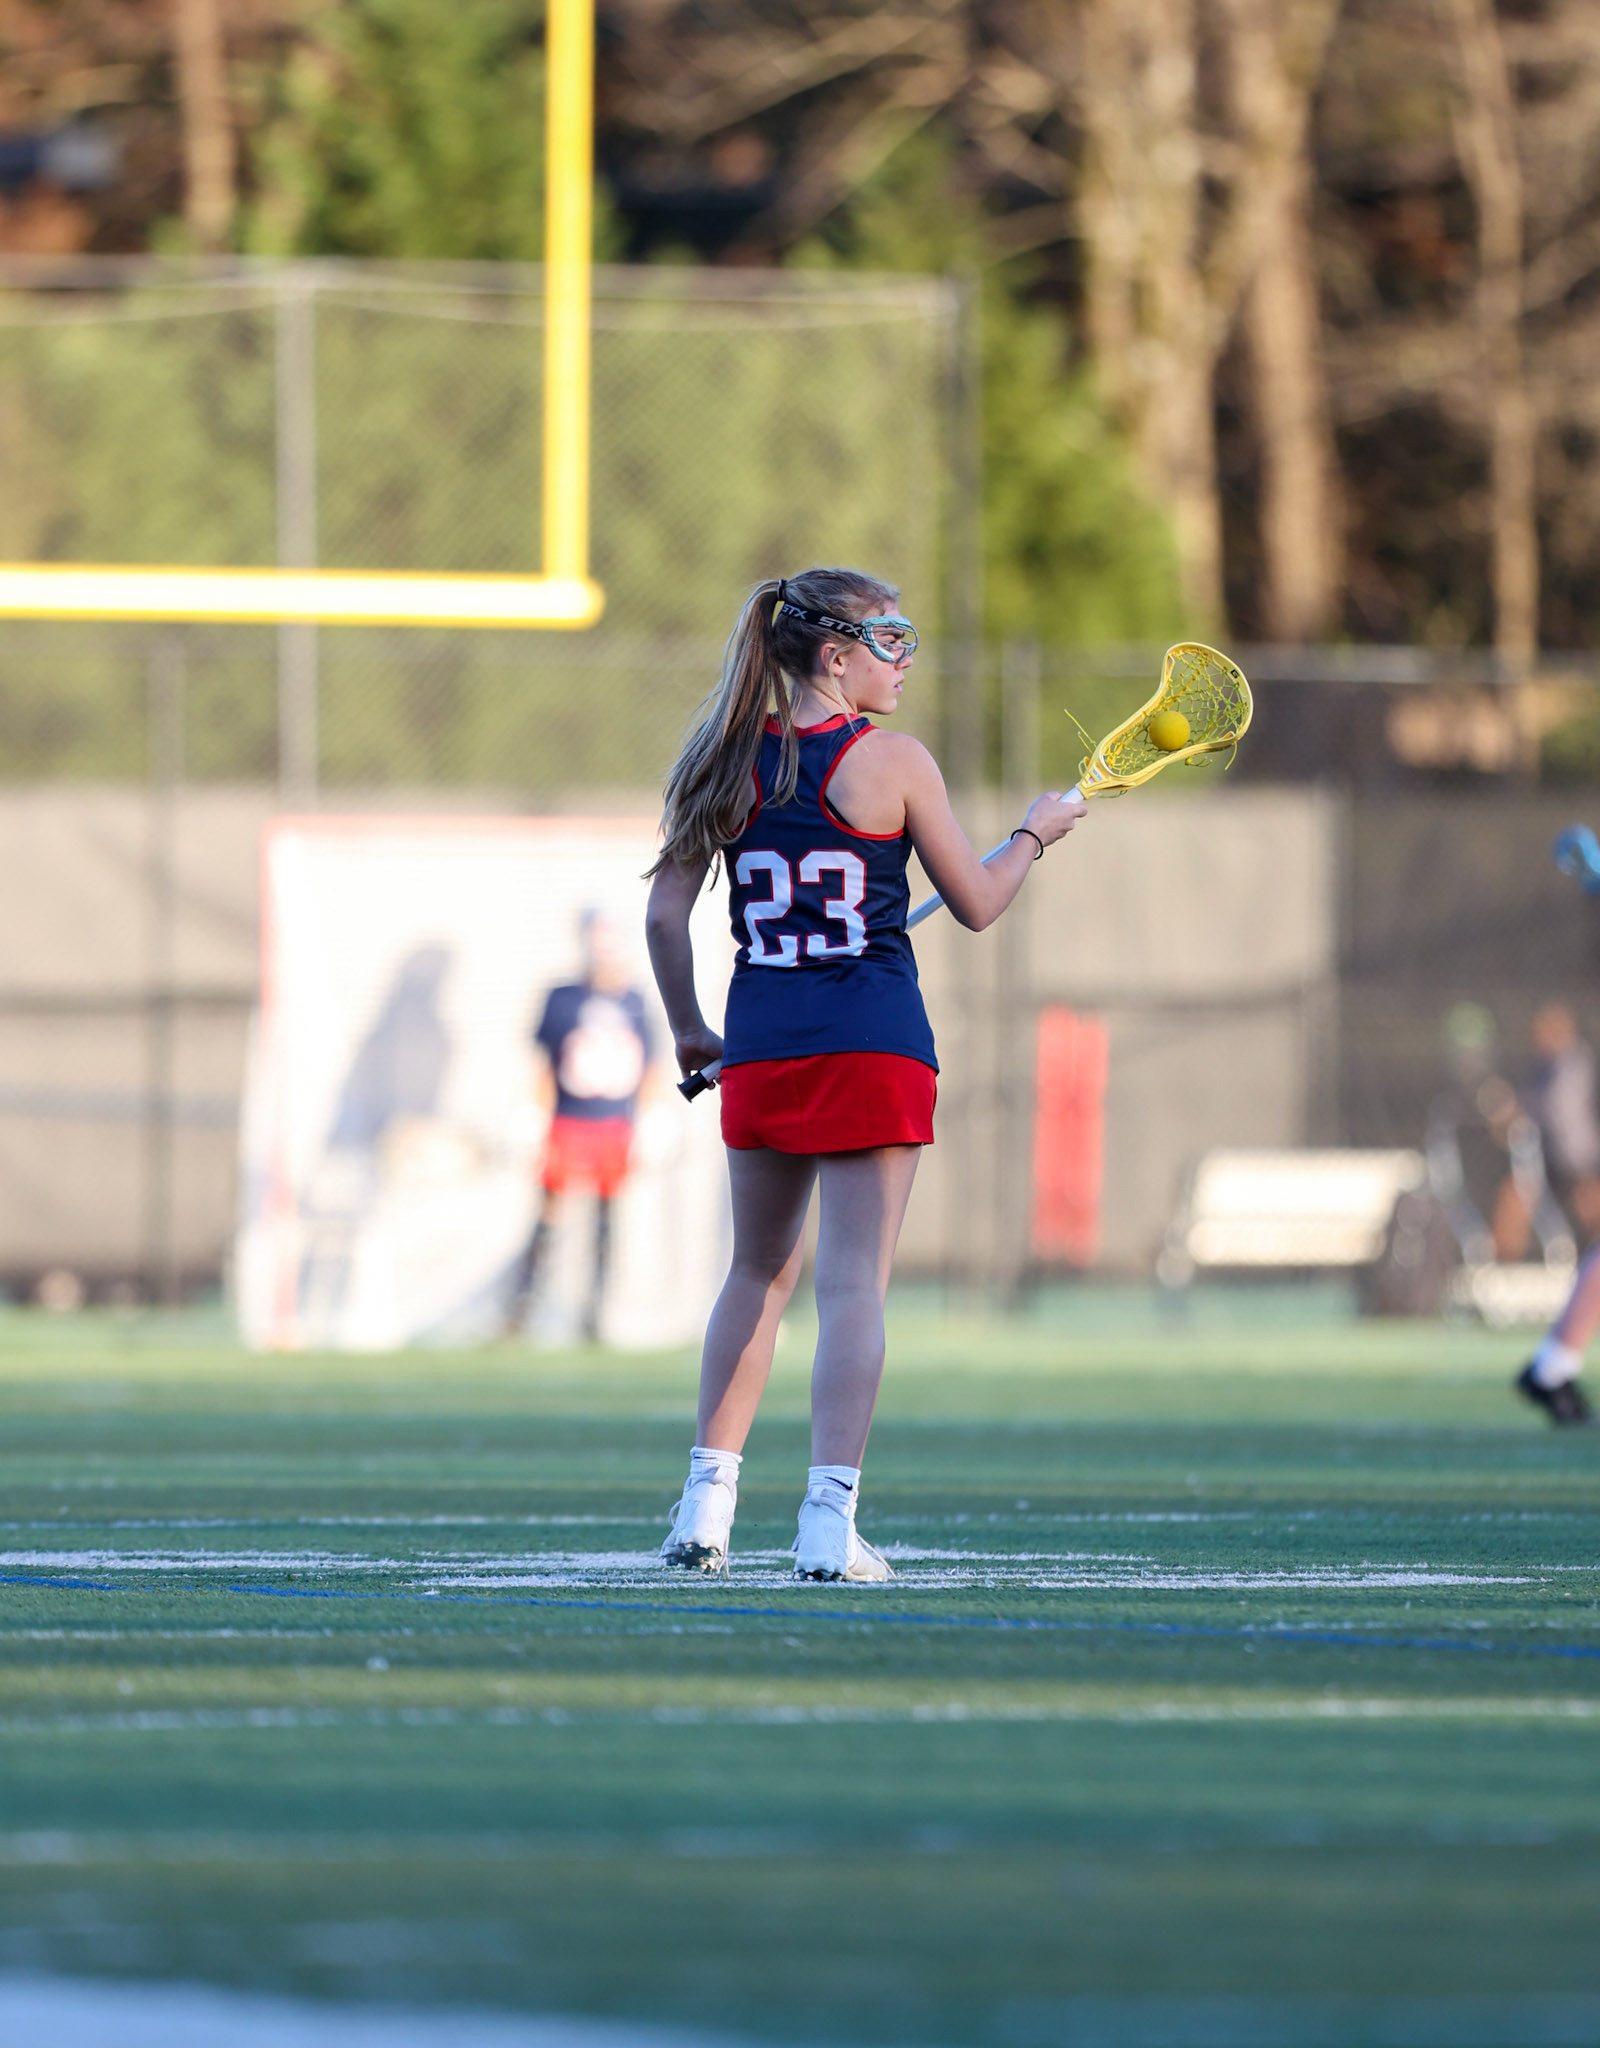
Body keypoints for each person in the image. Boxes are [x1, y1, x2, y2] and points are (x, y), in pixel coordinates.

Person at [644, 568, 1084, 1579]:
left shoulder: (725, 758)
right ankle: (826, 1522)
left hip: (762, 1042)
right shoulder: (893, 762)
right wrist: (1032, 834)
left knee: (756, 1272)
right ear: (835, 656)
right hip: (873, 1040)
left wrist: (689, 1031)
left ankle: (705, 1508)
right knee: (852, 1287)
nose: (906, 658)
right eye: (890, 638)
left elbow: (666, 915)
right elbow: (978, 902)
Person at [506, 910, 655, 1342]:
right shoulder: (563, 997)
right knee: (550, 1211)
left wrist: (650, 1119)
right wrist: (535, 1115)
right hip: (568, 1120)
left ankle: (596, 1312)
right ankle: (523, 1306)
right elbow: (544, 1062)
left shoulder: (636, 1001)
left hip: (615, 1124)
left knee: (608, 1217)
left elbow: (651, 1065)